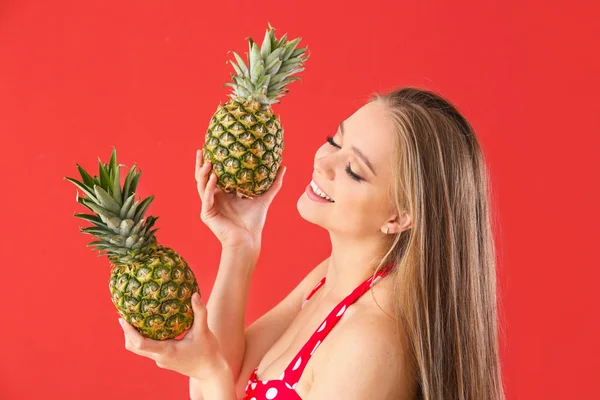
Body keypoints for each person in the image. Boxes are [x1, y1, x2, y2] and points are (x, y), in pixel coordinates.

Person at [119, 87, 506, 400]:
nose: (323, 163)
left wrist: (211, 371)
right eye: (333, 141)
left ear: (399, 216)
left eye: (354, 171)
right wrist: (240, 243)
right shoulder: (329, 282)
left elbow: (215, 374)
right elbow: (218, 380)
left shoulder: (369, 342)